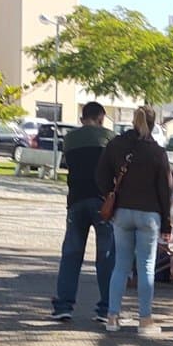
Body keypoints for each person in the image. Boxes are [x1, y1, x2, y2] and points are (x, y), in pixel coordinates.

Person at [97, 105, 173, 336]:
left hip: (122, 212)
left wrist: (111, 194)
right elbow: (166, 190)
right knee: (146, 267)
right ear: (153, 123)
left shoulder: (116, 145)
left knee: (120, 266)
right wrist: (167, 223)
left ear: (133, 120)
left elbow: (100, 175)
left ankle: (112, 316)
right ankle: (145, 320)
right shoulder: (157, 153)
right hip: (149, 215)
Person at [50, 102, 116, 324]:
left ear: (83, 117)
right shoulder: (109, 138)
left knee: (71, 254)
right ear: (101, 118)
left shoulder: (70, 139)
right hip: (102, 202)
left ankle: (64, 305)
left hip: (76, 200)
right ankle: (106, 308)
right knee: (106, 256)